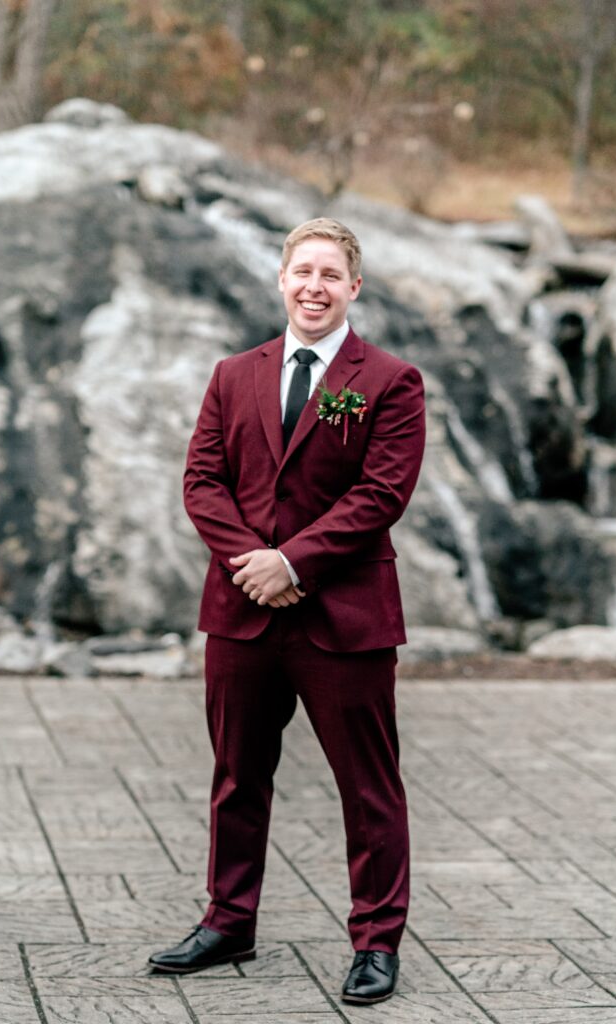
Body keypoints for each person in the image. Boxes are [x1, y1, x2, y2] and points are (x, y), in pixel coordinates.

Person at [149, 218, 426, 1004]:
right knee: (238, 776)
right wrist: (253, 567)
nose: (314, 286)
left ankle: (375, 942)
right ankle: (228, 921)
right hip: (241, 614)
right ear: (280, 279)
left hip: (345, 619)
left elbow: (381, 494)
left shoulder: (390, 380)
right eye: (302, 271)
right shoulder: (234, 373)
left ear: (353, 289)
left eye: (330, 275)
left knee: (368, 786)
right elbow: (202, 480)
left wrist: (292, 563)